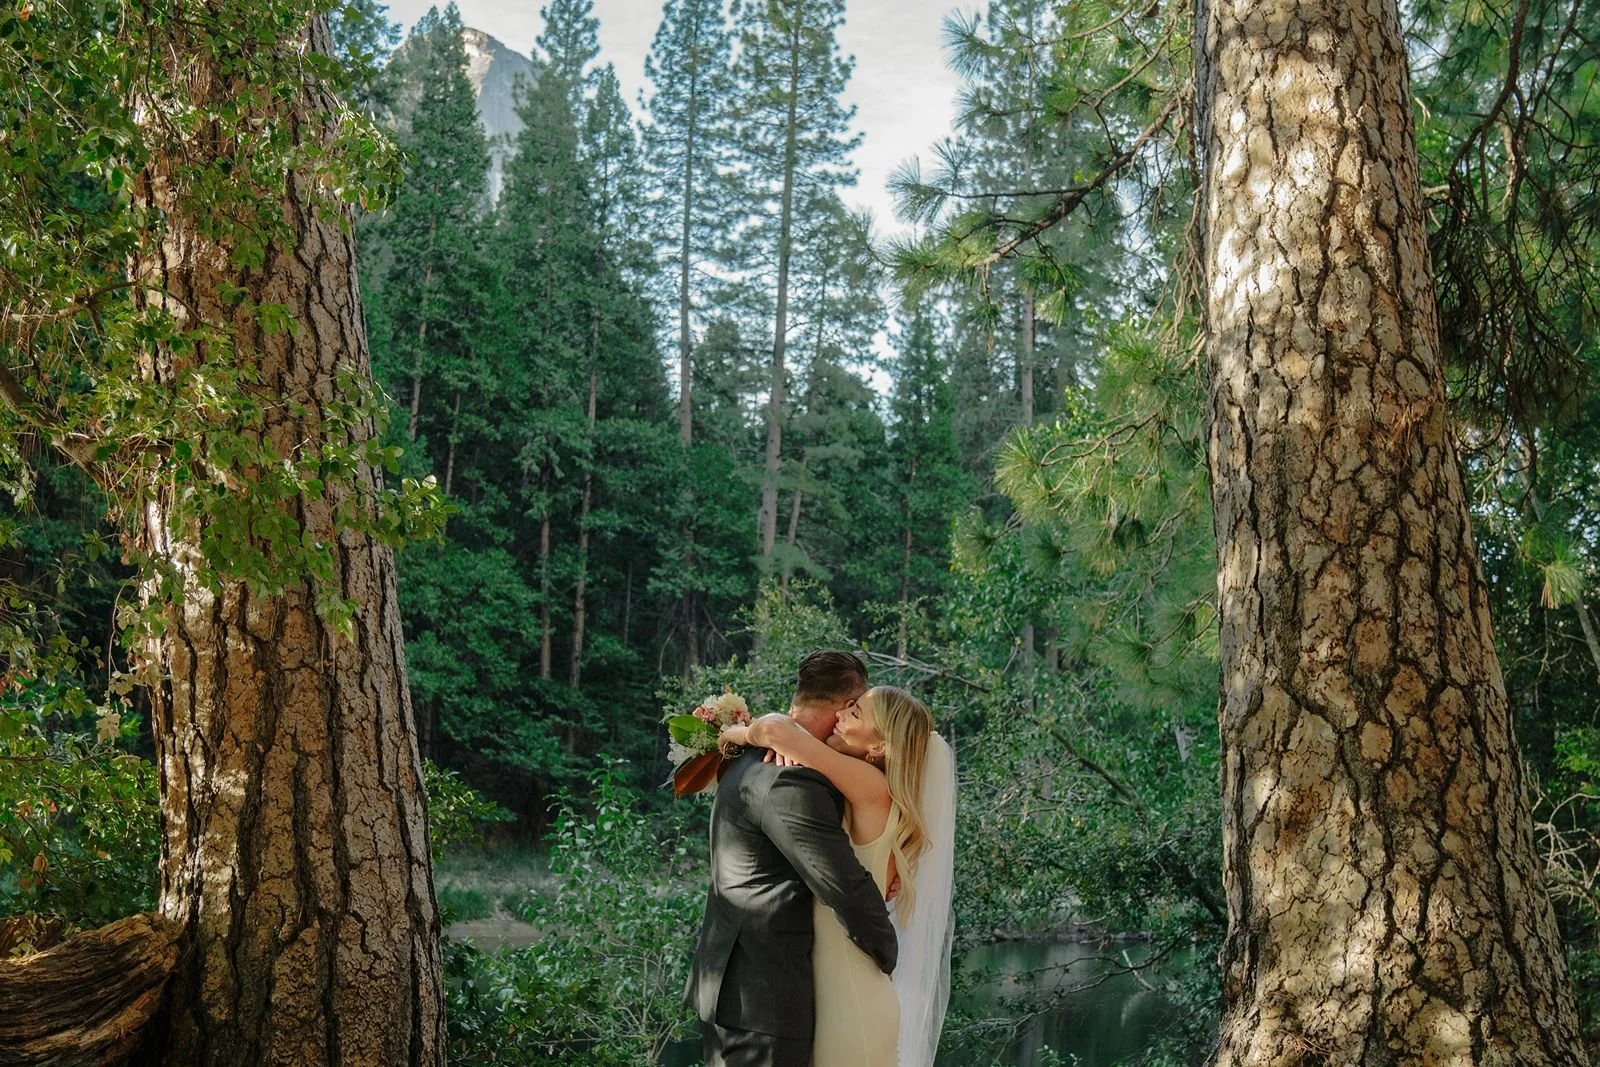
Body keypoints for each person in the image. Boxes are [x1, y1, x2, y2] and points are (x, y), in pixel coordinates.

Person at [719, 684, 958, 1067]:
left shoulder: (870, 785)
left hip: (852, 1000)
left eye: (856, 714)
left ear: (878, 748)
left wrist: (731, 734)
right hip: (837, 991)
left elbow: (779, 732)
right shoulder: (862, 787)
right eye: (847, 706)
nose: (842, 716)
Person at [687, 650, 898, 1067]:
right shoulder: (790, 779)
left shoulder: (750, 757)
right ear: (842, 707)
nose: (848, 718)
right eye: (854, 707)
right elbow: (842, 885)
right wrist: (890, 953)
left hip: (735, 987)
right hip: (762, 998)